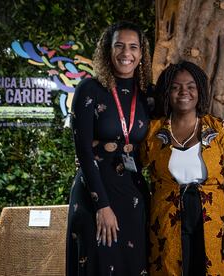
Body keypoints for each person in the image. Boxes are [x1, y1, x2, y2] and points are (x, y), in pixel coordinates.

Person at [66, 21, 152, 276]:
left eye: (133, 47)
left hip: (132, 194)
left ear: (141, 53)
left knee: (133, 266)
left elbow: (182, 114)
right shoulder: (89, 89)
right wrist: (102, 206)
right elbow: (83, 150)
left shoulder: (148, 95)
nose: (127, 53)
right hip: (95, 193)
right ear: (108, 49)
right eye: (119, 45)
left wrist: (215, 123)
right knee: (96, 265)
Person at [140, 61, 224, 275]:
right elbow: (134, 168)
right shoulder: (153, 132)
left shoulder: (218, 130)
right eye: (176, 87)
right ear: (167, 92)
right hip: (167, 218)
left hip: (212, 219)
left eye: (190, 86)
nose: (183, 92)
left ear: (200, 91)